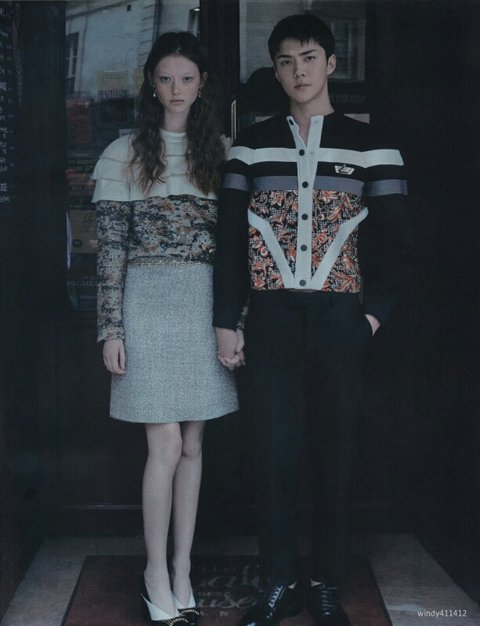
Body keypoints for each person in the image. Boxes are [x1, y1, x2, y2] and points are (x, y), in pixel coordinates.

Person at [213, 13, 412, 626]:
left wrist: (370, 318)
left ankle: (326, 583)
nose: (298, 71)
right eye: (285, 61)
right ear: (275, 71)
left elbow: (397, 247)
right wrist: (226, 320)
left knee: (335, 458)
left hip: (339, 319)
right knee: (272, 456)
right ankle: (277, 583)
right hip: (270, 318)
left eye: (308, 58)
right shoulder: (250, 145)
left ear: (330, 63)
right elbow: (229, 243)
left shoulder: (373, 146)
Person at [93, 31, 238, 626]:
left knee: (195, 445)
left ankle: (182, 569)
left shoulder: (222, 153)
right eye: (165, 78)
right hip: (146, 302)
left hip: (204, 304)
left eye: (186, 78)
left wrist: (235, 322)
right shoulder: (122, 153)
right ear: (151, 85)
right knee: (167, 444)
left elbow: (235, 251)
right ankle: (155, 572)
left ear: (202, 86)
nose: (176, 89)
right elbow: (110, 252)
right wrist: (111, 328)